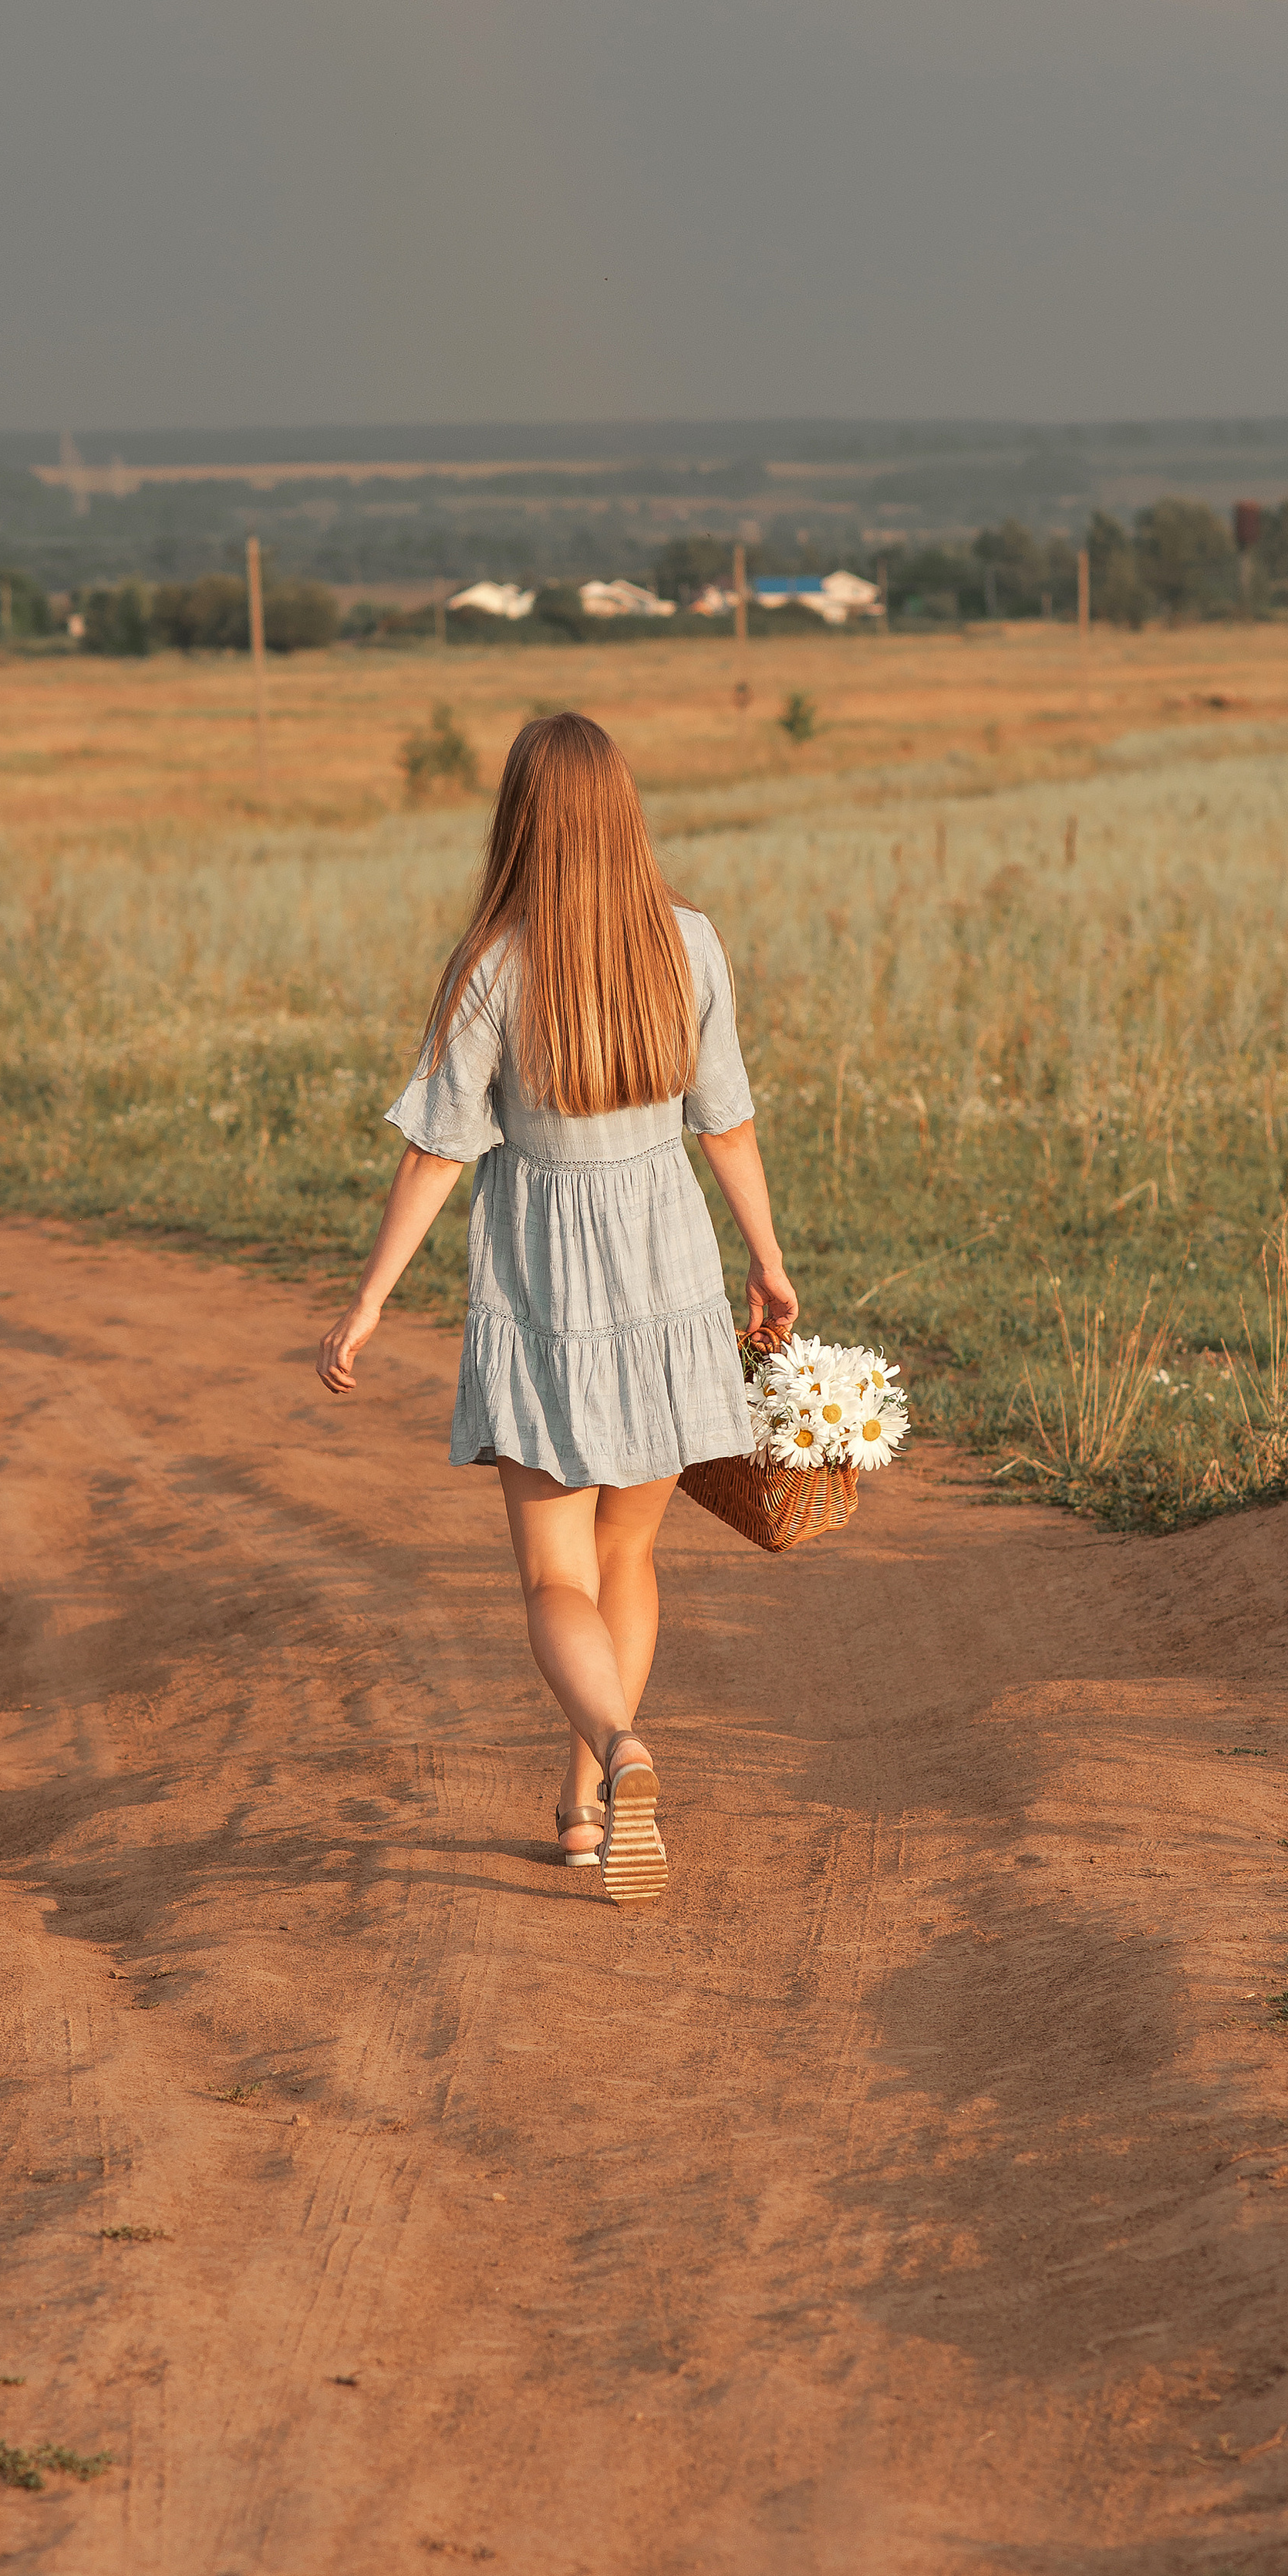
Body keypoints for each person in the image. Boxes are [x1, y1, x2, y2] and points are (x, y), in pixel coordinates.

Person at [315, 712, 797, 1905]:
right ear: (623, 810)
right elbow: (726, 1121)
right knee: (627, 1553)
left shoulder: (492, 962)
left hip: (545, 1291)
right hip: (670, 1273)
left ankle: (619, 1753)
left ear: (520, 818)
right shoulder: (689, 942)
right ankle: (585, 1806)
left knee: (553, 1581)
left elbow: (437, 1150)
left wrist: (369, 1301)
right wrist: (767, 1258)